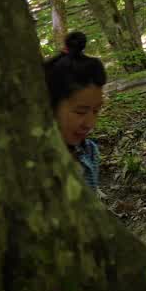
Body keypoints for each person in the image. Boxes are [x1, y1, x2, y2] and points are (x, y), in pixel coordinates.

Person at [44, 31, 106, 189]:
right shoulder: (33, 162)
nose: (90, 123)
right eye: (80, 112)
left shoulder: (89, 152)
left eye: (96, 111)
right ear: (51, 105)